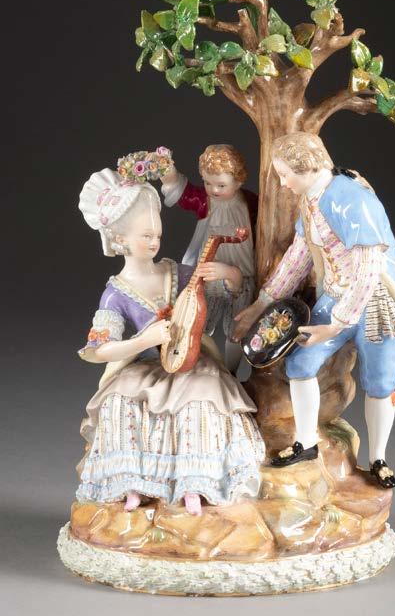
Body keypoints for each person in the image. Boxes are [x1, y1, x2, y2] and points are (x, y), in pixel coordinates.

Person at [234, 132, 395, 488]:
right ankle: (306, 442)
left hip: (375, 304)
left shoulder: (354, 200)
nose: (282, 182)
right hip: (336, 297)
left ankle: (378, 457)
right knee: (300, 364)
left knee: (381, 381)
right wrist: (263, 301)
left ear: (307, 167)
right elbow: (299, 256)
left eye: (285, 174)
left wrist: (336, 325)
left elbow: (369, 269)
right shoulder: (311, 199)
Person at [77, 167, 265, 514]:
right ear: (119, 239)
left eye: (157, 235)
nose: (154, 242)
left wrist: (229, 274)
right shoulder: (116, 293)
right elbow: (99, 350)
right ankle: (132, 481)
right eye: (145, 236)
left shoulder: (177, 273)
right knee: (120, 400)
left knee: (202, 398)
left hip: (190, 362)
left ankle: (196, 482)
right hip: (146, 365)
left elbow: (228, 291)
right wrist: (143, 340)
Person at [160, 144, 257, 374]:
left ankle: (231, 374)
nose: (213, 190)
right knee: (197, 323)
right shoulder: (206, 201)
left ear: (238, 181)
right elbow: (183, 194)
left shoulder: (251, 204)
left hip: (243, 275)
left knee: (237, 327)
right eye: (207, 183)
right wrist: (167, 171)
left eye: (221, 185)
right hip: (207, 274)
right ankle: (199, 369)